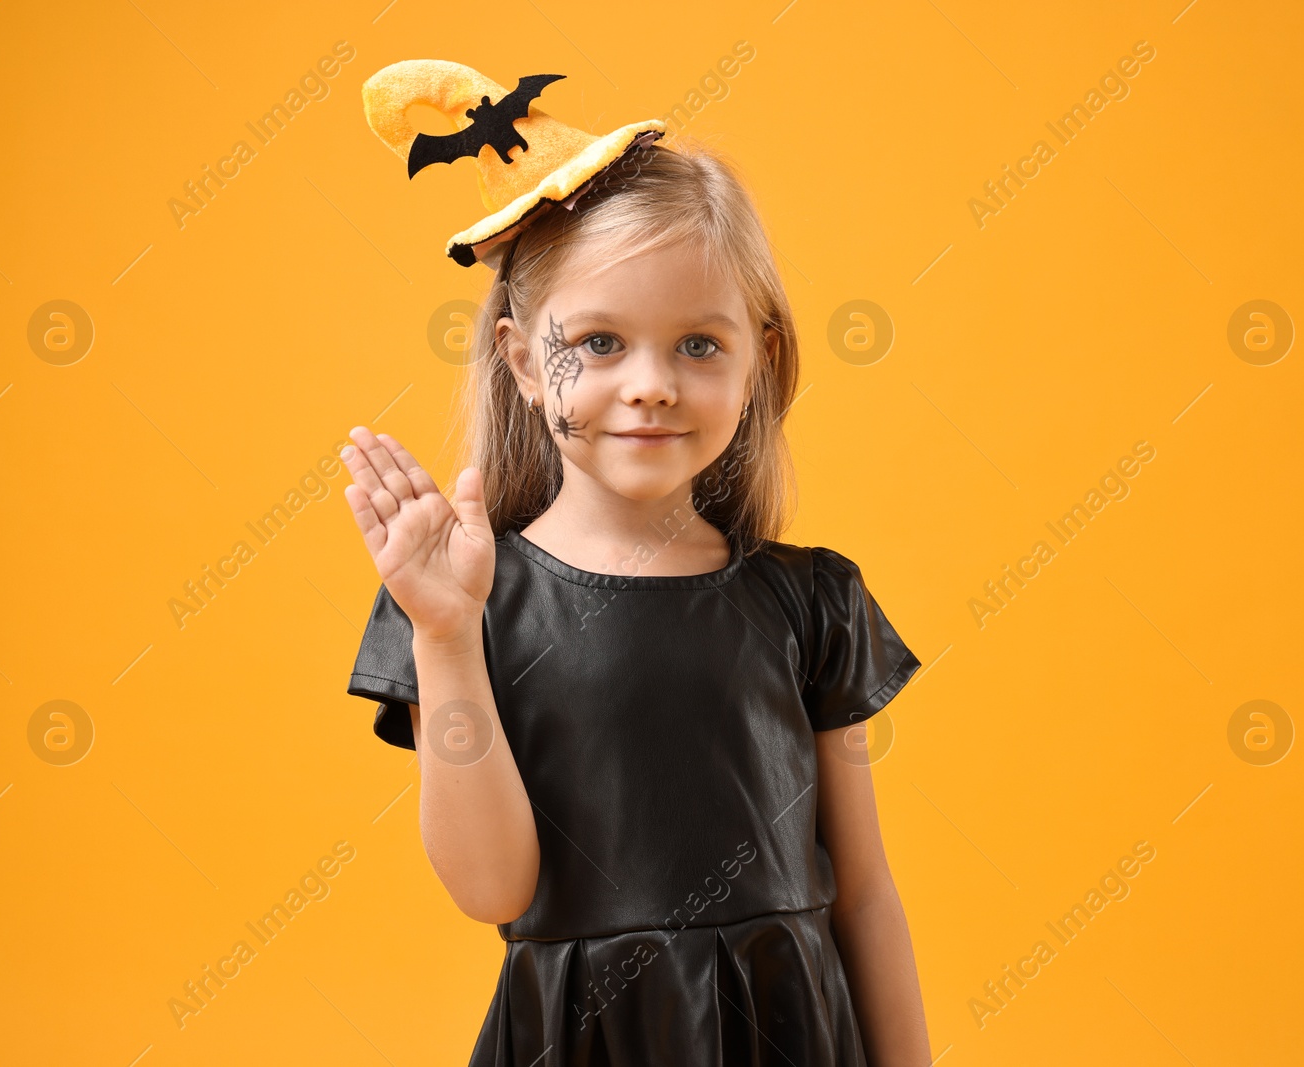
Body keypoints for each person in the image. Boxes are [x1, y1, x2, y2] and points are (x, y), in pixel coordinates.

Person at [344, 60, 932, 1066]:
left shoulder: (814, 601)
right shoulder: (465, 603)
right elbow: (493, 891)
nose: (651, 385)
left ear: (760, 358)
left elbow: (866, 888)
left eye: (699, 346)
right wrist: (445, 634)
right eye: (601, 343)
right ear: (525, 362)